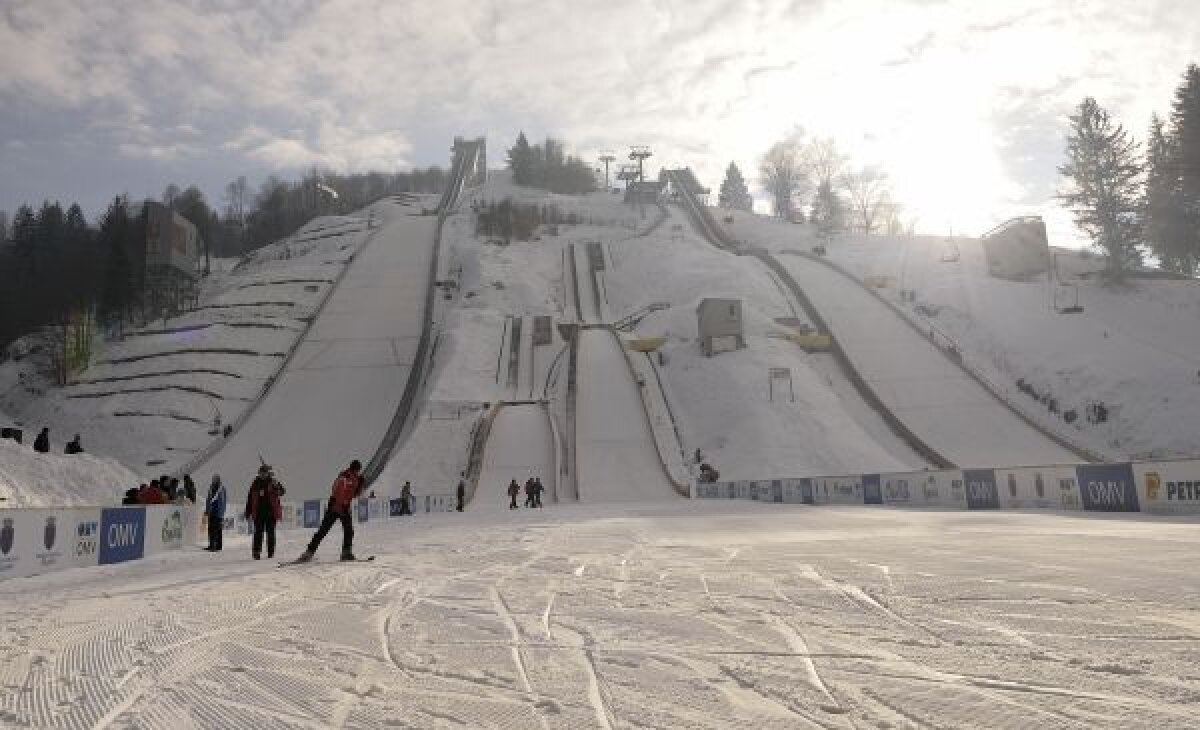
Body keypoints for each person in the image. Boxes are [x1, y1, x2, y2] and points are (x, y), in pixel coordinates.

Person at [297, 460, 363, 562]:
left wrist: (360, 487)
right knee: (324, 530)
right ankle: (309, 552)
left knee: (348, 530)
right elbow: (337, 491)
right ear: (355, 469)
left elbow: (353, 494)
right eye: (358, 470)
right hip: (336, 506)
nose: (358, 472)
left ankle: (345, 552)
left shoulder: (355, 479)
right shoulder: (344, 477)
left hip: (343, 506)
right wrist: (342, 504)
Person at [245, 465, 285, 560]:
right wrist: (248, 511)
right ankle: (256, 552)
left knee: (270, 533)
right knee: (258, 533)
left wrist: (276, 486)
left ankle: (271, 552)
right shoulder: (255, 484)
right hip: (258, 513)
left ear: (267, 473)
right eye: (261, 473)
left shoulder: (273, 482)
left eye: (264, 473)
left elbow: (282, 492)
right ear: (259, 473)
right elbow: (250, 498)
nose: (262, 475)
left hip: (271, 513)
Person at [204, 475, 227, 551]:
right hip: (211, 512)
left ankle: (216, 546)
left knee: (216, 530)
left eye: (215, 479)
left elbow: (223, 501)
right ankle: (212, 545)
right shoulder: (211, 488)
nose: (213, 480)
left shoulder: (221, 489)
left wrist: (221, 512)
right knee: (211, 529)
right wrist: (207, 510)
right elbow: (208, 500)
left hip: (218, 512)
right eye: (213, 479)